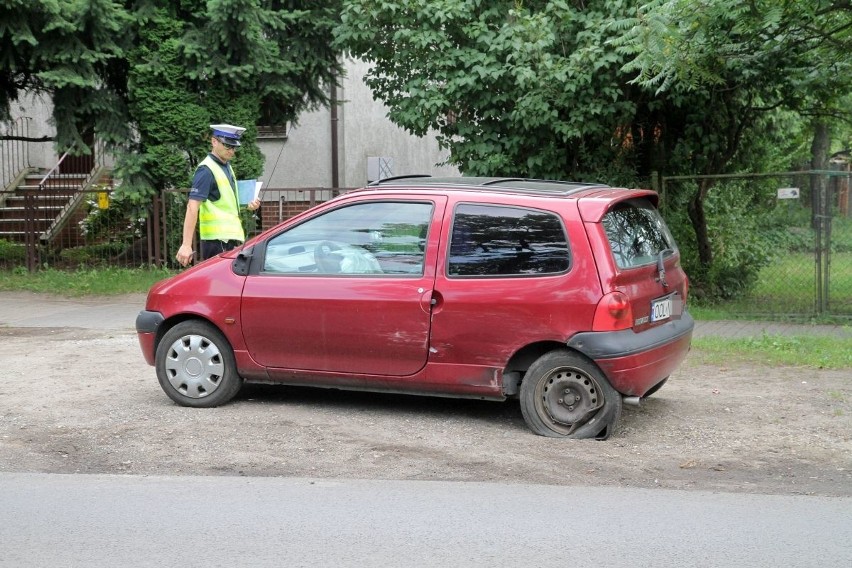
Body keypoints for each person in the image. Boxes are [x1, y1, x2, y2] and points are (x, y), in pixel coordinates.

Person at [176, 124, 261, 267]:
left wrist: (249, 204)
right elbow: (192, 207)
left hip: (228, 239)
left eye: (234, 147)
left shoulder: (226, 166)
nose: (232, 151)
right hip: (217, 241)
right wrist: (186, 244)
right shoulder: (206, 170)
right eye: (228, 146)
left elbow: (225, 201)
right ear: (214, 142)